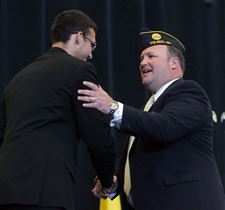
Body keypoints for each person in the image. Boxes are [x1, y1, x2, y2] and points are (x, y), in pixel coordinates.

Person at [77, 30, 225, 210]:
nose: (143, 62)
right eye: (141, 58)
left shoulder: (190, 92)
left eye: (151, 56)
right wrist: (113, 182)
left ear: (174, 63)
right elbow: (140, 162)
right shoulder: (147, 109)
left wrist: (112, 107)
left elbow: (165, 127)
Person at [0, 10, 115, 210]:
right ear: (80, 37)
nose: (91, 54)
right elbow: (96, 134)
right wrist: (107, 180)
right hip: (46, 191)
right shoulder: (79, 70)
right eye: (92, 44)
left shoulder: (18, 80)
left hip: (7, 191)